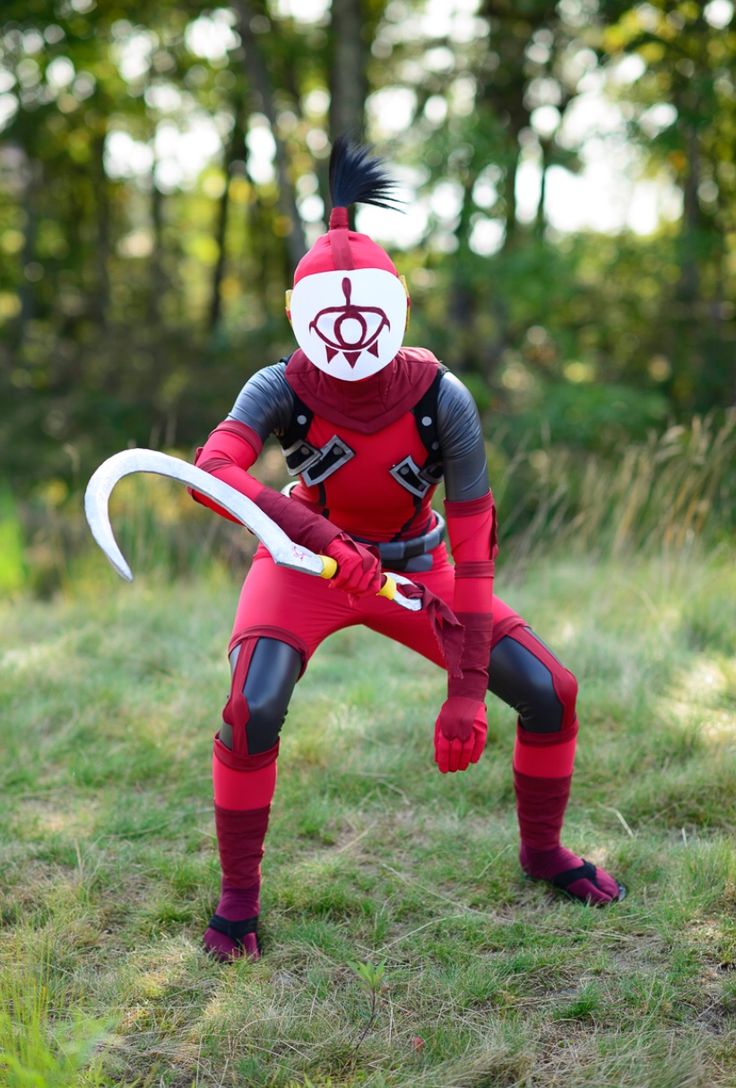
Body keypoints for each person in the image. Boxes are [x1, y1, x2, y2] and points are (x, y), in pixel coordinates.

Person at [191, 137, 625, 961]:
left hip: (416, 566)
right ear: (298, 314)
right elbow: (209, 471)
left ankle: (542, 854)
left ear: (398, 309)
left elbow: (474, 542)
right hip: (304, 567)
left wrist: (466, 690)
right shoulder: (278, 384)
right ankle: (238, 900)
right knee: (252, 711)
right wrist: (319, 537)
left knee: (551, 691)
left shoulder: (442, 398)